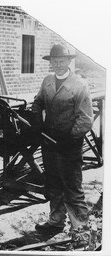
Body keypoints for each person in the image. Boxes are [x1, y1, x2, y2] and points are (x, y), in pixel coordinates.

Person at [32, 44, 94, 238]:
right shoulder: (48, 81)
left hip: (69, 146)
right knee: (54, 184)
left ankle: (81, 229)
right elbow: (38, 101)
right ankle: (56, 221)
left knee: (72, 187)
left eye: (61, 61)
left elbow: (85, 119)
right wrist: (36, 119)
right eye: (54, 61)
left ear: (69, 61)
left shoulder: (79, 85)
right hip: (49, 143)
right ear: (50, 63)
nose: (58, 64)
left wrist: (70, 138)